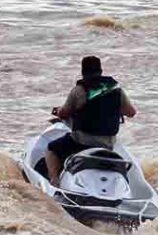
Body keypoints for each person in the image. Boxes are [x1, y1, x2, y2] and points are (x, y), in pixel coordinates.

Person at [45, 56, 137, 187]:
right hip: (108, 143)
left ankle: (54, 181)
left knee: (52, 148)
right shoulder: (116, 90)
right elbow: (131, 113)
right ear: (100, 70)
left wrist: (58, 111)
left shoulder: (79, 90)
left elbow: (64, 113)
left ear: (83, 72)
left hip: (82, 142)